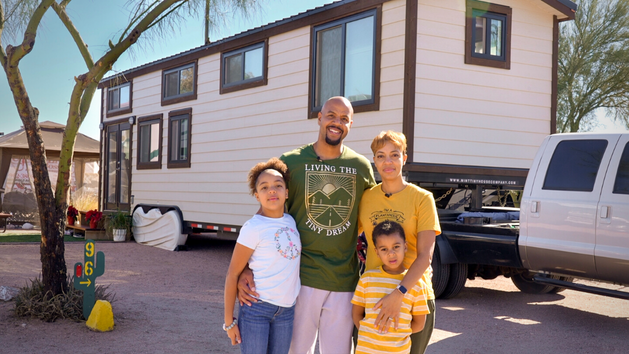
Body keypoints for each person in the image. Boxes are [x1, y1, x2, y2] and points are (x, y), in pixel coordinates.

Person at [238, 96, 376, 354]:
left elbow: (370, 215)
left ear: (351, 124)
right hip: (299, 279)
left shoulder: (361, 167)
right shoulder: (291, 162)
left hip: (343, 280)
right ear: (319, 118)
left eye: (344, 119)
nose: (337, 122)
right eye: (331, 115)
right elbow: (265, 215)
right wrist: (246, 268)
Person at [357, 130, 440, 354]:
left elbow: (425, 255)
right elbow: (344, 237)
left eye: (394, 155)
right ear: (374, 161)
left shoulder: (422, 199)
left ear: (404, 158)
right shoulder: (366, 198)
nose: (388, 162)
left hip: (413, 296)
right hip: (373, 294)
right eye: (381, 156)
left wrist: (399, 293)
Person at [223, 158, 301, 354]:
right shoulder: (253, 227)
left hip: (286, 311)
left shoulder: (291, 221)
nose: (272, 190)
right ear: (257, 196)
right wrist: (228, 322)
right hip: (257, 309)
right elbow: (233, 274)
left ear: (287, 193)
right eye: (264, 187)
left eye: (278, 185)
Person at [352, 220, 429, 354]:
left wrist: (398, 332)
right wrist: (369, 333)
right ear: (376, 252)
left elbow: (419, 323)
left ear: (405, 247)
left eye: (396, 247)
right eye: (384, 249)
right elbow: (356, 313)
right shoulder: (367, 279)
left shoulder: (417, 284)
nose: (391, 253)